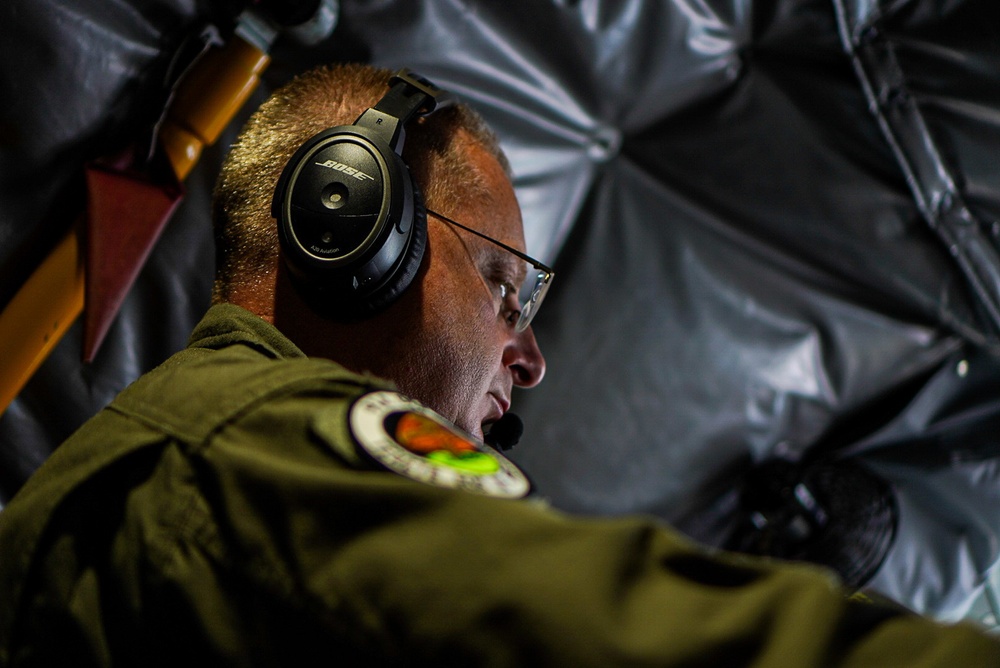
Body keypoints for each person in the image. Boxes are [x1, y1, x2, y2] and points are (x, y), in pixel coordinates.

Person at [1, 63, 998, 667]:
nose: (530, 357)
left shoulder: (221, 454)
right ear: (345, 221)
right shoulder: (240, 444)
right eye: (501, 286)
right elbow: (615, 634)